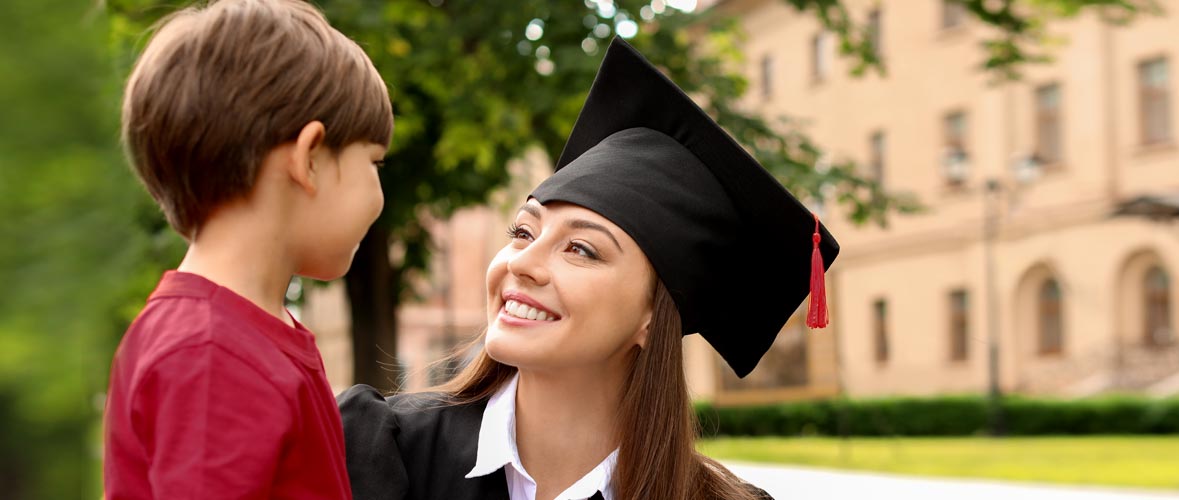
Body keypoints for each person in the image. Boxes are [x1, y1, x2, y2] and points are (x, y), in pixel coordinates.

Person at [338, 38, 838, 500]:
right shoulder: (381, 451)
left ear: (652, 316)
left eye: (580, 249)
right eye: (522, 232)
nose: (524, 263)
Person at [104, 0, 392, 498]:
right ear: (310, 159)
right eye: (375, 163)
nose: (379, 197)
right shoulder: (214, 356)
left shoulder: (234, 335)